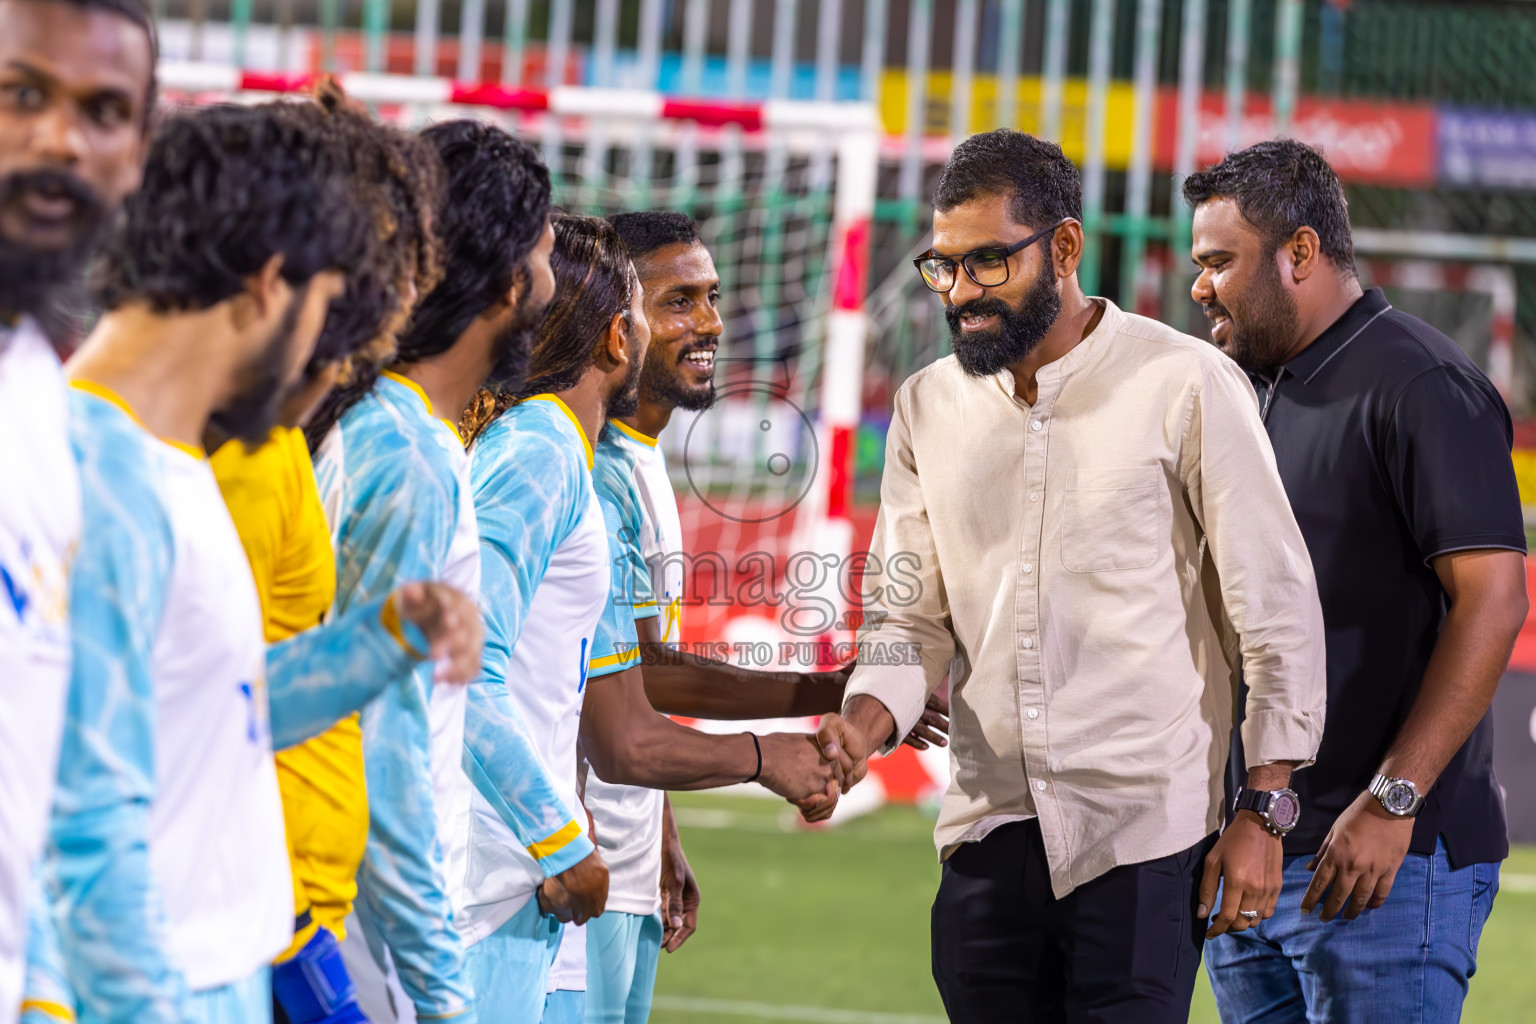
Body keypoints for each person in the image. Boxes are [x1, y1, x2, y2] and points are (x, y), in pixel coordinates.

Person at [813, 128, 1329, 1022]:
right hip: (986, 830)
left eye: (986, 263)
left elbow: (1274, 607)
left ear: (1062, 247)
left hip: (1144, 840)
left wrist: (1265, 808)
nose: (962, 293)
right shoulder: (924, 408)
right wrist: (860, 729)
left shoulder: (1188, 383)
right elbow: (907, 622)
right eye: (944, 267)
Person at [41, 102, 482, 1024]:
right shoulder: (92, 480)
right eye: (336, 314)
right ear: (273, 285)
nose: (338, 363)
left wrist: (384, 637)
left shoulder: (167, 463)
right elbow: (80, 832)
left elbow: (215, 706)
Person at [453, 214, 839, 1022]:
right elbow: (511, 682)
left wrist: (661, 825)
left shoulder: (610, 454)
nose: (707, 323)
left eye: (711, 297)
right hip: (524, 868)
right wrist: (793, 725)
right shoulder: (553, 459)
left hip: (588, 861)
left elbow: (601, 664)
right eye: (670, 303)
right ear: (613, 331)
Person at [1187, 140, 1529, 1023]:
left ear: (1299, 254)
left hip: (1379, 858)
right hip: (1248, 854)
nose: (1199, 286)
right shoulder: (1240, 394)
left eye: (1220, 262)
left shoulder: (1423, 384)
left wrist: (1393, 798)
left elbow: (1493, 599)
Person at [309, 117, 557, 1024]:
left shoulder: (385, 426)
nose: (553, 283)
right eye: (546, 252)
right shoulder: (407, 453)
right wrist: (441, 989)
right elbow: (387, 741)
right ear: (503, 280)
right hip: (374, 944)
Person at [208, 87, 446, 1024]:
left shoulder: (275, 441)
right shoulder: (209, 455)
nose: (397, 289)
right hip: (246, 931)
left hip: (293, 921)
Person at [0, 0, 152, 1017]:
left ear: (136, 155)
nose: (61, 140)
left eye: (103, 112)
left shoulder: (40, 409)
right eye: (21, 95)